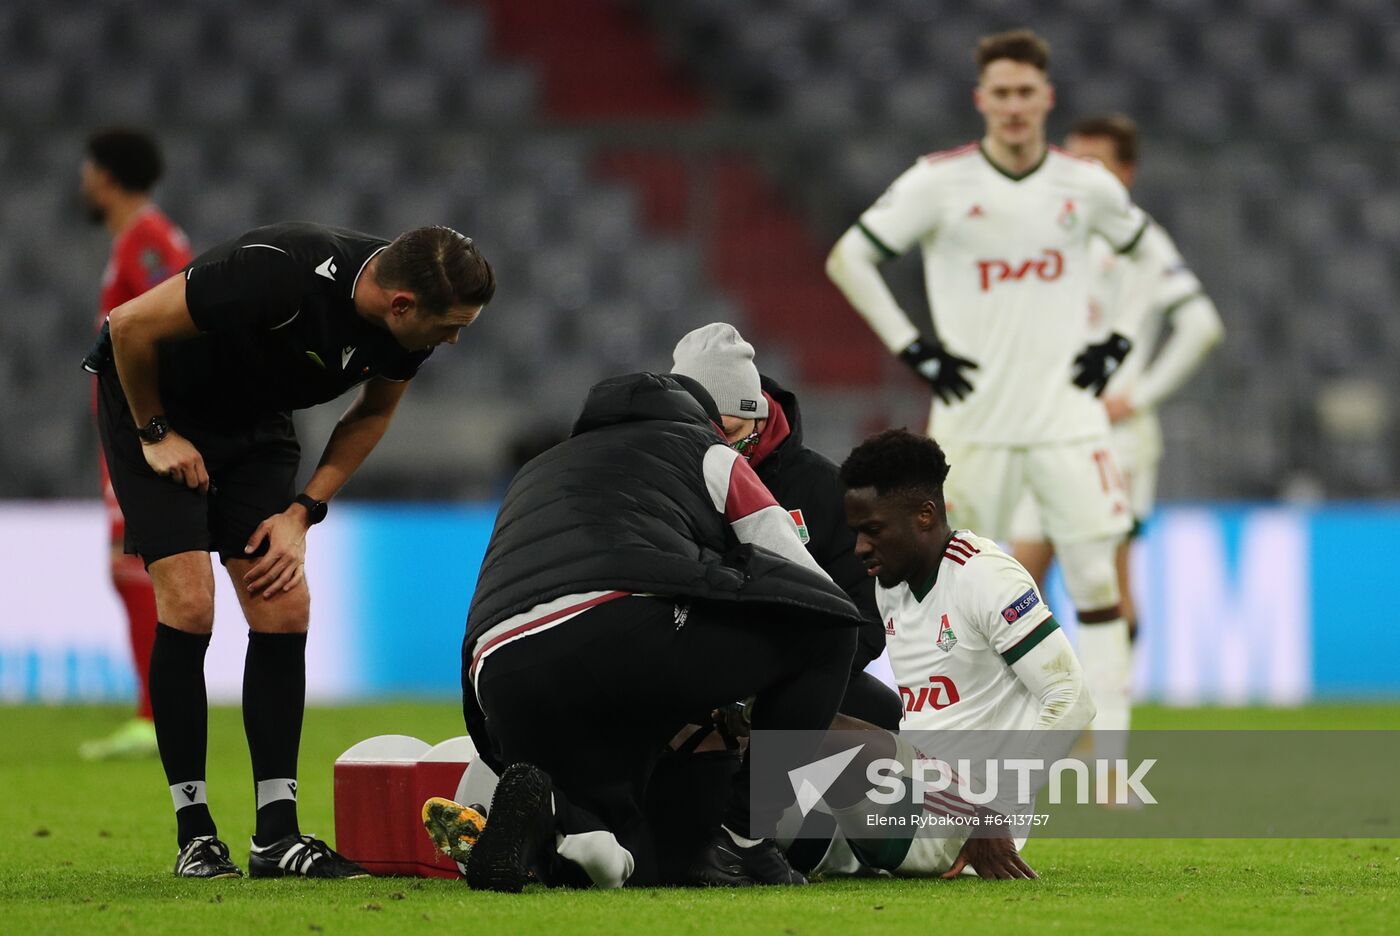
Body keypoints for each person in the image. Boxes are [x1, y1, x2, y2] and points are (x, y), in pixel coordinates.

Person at [88, 221, 494, 879]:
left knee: (283, 606)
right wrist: (156, 432)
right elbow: (128, 324)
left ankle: (275, 836)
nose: (453, 339)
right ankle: (195, 834)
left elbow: (370, 415)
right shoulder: (276, 272)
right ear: (402, 306)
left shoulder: (406, 329)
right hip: (156, 407)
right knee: (190, 605)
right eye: (451, 326)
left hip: (254, 427)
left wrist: (303, 513)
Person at [826, 28, 1143, 757]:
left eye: (1026, 92)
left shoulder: (1084, 184)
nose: (1013, 105)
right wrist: (913, 347)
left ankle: (1115, 764)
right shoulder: (939, 182)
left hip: (1067, 420)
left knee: (1096, 576)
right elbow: (850, 258)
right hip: (972, 423)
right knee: (940, 578)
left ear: (1046, 98)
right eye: (1000, 92)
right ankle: (954, 739)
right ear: (981, 100)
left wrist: (1118, 337)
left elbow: (1144, 255)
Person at [457, 371, 863, 891]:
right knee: (829, 630)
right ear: (699, 419)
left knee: (617, 852)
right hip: (620, 628)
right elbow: (805, 578)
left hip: (499, 670)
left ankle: (561, 825)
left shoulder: (537, 470)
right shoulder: (706, 450)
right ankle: (742, 839)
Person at [802, 428, 1095, 880]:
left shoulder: (985, 577)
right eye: (856, 532)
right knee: (753, 780)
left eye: (873, 531)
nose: (860, 548)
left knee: (811, 725)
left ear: (924, 514)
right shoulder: (890, 586)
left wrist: (997, 809)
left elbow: (1071, 698)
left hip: (974, 817)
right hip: (910, 804)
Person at [1009, 115, 1225, 644]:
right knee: (1018, 590)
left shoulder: (1141, 239)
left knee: (1107, 588)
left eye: (1095, 164)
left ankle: (1110, 723)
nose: (1079, 175)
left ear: (1125, 174)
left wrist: (1137, 397)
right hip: (1048, 430)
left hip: (1114, 438)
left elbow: (1202, 326)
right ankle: (1044, 716)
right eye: (1072, 161)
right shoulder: (1047, 239)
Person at [77, 128, 194, 761]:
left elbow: (179, 315)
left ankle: (155, 718)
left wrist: (160, 427)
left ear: (107, 175)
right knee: (129, 573)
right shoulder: (133, 240)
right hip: (125, 428)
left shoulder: (150, 240)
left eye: (88, 169)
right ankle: (151, 712)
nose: (83, 181)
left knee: (143, 573)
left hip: (144, 431)